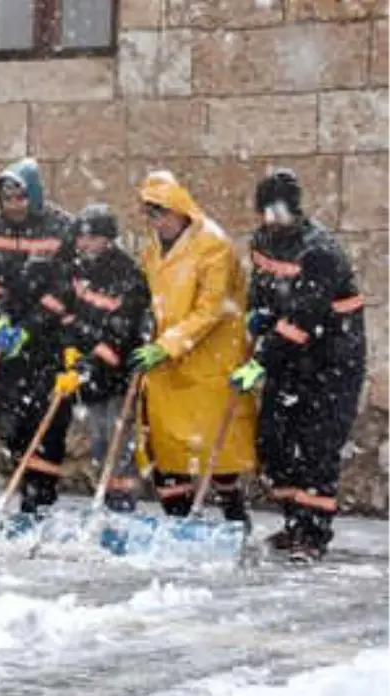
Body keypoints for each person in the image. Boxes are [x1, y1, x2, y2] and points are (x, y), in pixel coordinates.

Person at [230, 169, 367, 560]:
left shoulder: (320, 251)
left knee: (316, 446)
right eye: (267, 212)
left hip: (331, 359)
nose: (272, 219)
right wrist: (256, 312)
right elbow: (261, 285)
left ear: (294, 209)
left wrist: (259, 362)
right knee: (274, 440)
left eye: (279, 211)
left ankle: (313, 534)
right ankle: (293, 522)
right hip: (288, 359)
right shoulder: (263, 241)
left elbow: (302, 321)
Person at [129, 170, 256, 526]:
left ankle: (234, 516)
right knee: (168, 448)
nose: (157, 223)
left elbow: (210, 309)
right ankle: (178, 519)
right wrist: (147, 329)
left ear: (180, 210)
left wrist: (168, 344)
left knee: (217, 447)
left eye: (162, 214)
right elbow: (150, 295)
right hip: (169, 364)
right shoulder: (153, 249)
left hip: (208, 361)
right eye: (151, 215)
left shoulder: (213, 246)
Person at [0, 158, 77, 515]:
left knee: (47, 422)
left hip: (51, 340)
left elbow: (64, 289)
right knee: (10, 423)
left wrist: (29, 328)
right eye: (7, 199)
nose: (14, 206)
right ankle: (25, 486)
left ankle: (40, 499)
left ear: (33, 195)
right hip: (10, 345)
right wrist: (0, 320)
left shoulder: (61, 228)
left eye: (21, 197)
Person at [63, 205, 151, 512]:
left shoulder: (128, 277)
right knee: (98, 443)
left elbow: (120, 332)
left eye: (90, 238)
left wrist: (93, 361)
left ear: (108, 240)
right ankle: (105, 498)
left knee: (117, 443)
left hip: (116, 375)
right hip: (92, 375)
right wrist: (73, 350)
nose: (82, 244)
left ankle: (122, 504)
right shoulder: (84, 271)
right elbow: (76, 316)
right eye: (80, 238)